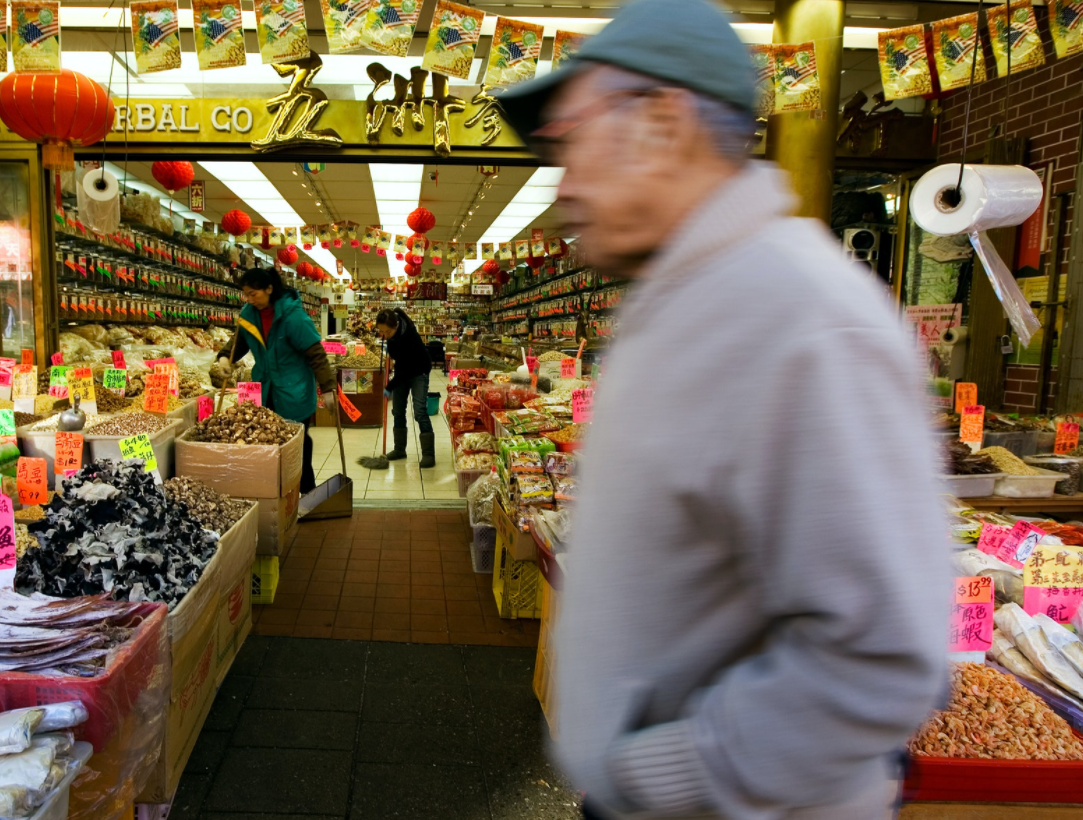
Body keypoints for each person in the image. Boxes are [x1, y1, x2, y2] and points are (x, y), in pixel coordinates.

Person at [498, 1, 948, 818]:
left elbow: (879, 655)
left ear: (663, 123)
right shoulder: (678, 299)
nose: (565, 185)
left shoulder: (803, 315)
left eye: (575, 141)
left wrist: (665, 770)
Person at [212, 268, 336, 494]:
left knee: (296, 443)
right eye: (246, 294)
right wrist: (224, 356)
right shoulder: (249, 314)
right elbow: (239, 341)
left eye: (253, 294)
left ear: (269, 289)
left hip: (294, 391)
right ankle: (273, 493)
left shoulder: (293, 317)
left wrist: (328, 388)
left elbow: (315, 353)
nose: (249, 300)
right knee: (266, 439)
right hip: (265, 389)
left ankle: (307, 490)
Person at [375, 307, 436, 468]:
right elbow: (400, 367)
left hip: (419, 371)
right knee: (397, 410)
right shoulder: (391, 335)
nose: (384, 336)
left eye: (387, 332)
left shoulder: (410, 337)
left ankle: (429, 454)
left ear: (395, 326)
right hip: (404, 370)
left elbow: (404, 371)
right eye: (382, 332)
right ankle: (399, 449)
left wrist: (389, 386)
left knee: (420, 410)